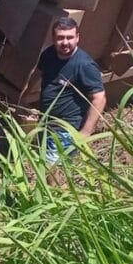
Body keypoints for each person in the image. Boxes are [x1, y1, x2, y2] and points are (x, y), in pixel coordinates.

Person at [36, 17, 106, 170]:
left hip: (67, 127)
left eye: (70, 37)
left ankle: (54, 192)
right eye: (60, 38)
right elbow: (39, 75)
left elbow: (99, 98)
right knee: (44, 161)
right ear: (53, 39)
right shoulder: (48, 55)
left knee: (53, 168)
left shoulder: (84, 65)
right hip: (47, 121)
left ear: (77, 38)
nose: (65, 42)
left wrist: (86, 132)